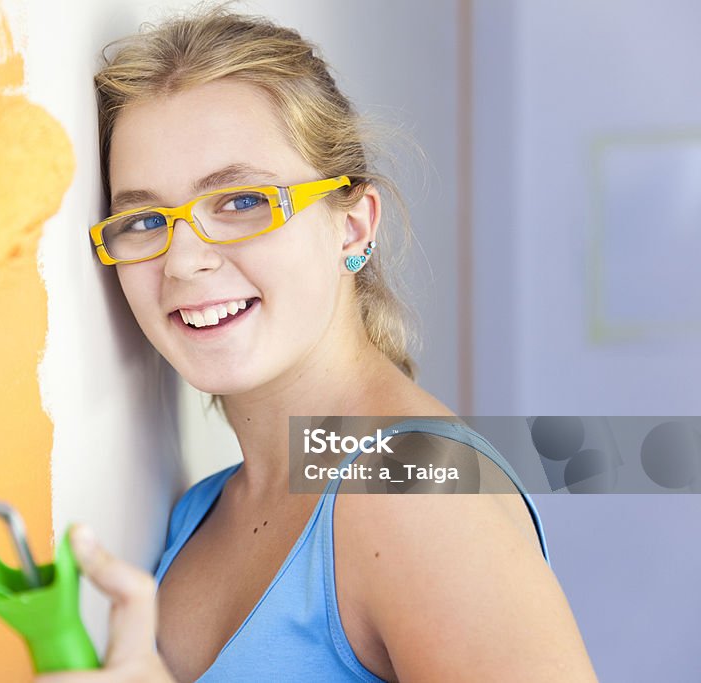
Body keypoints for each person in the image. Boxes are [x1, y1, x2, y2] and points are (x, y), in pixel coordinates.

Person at [40, 6, 598, 682]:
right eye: (145, 219)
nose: (184, 260)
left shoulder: (417, 491)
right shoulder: (203, 509)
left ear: (353, 226)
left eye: (243, 202)